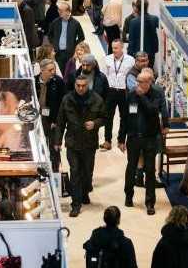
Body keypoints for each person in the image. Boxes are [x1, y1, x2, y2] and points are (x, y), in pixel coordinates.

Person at [118, 69, 168, 215]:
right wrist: (121, 139)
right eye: (137, 81)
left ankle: (150, 203)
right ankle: (128, 196)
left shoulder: (157, 94)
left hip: (150, 138)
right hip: (133, 137)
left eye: (141, 82)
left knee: (150, 171)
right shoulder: (132, 94)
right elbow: (125, 117)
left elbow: (152, 111)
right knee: (131, 168)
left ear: (149, 82)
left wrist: (142, 97)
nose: (137, 84)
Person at [55, 75, 105, 217]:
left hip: (89, 143)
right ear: (75, 85)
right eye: (78, 85)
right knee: (75, 172)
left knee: (87, 172)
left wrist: (95, 123)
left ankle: (85, 192)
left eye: (83, 85)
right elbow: (60, 122)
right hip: (72, 142)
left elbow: (104, 118)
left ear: (88, 85)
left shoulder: (96, 99)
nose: (81, 88)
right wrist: (57, 141)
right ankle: (75, 204)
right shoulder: (67, 99)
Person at [101, 39, 135, 150]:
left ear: (122, 48)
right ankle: (107, 140)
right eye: (112, 48)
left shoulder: (130, 60)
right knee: (108, 116)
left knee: (124, 117)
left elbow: (131, 75)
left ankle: (121, 140)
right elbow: (104, 75)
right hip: (110, 91)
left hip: (124, 92)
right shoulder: (107, 59)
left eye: (116, 48)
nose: (114, 50)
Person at [36, 58, 65, 171]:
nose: (53, 72)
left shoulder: (59, 82)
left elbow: (62, 104)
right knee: (39, 146)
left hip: (53, 121)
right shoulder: (34, 81)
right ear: (42, 70)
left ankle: (55, 172)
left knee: (54, 148)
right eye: (50, 70)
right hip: (38, 120)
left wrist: (57, 121)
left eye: (54, 69)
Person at [47, 1, 85, 72]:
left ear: (68, 12)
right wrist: (53, 43)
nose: (59, 12)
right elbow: (49, 34)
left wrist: (74, 45)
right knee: (59, 71)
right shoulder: (55, 22)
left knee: (69, 72)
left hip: (69, 53)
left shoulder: (75, 23)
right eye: (59, 10)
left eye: (61, 10)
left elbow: (81, 37)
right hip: (58, 53)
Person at [127, 0, 160, 69]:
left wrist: (129, 55)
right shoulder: (154, 19)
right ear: (147, 6)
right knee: (149, 71)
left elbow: (131, 40)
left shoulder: (133, 22)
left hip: (138, 53)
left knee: (139, 72)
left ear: (137, 8)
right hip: (151, 52)